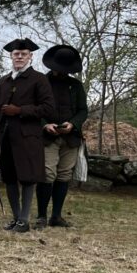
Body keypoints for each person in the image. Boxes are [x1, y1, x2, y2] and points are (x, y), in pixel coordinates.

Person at [0, 38, 56, 232]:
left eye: (23, 54)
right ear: (11, 56)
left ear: (30, 56)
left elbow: (48, 108)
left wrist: (20, 110)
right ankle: (15, 217)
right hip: (6, 137)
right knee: (10, 178)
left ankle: (24, 219)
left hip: (28, 137)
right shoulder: (4, 81)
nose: (19, 57)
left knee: (28, 177)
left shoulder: (38, 79)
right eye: (16, 54)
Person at [37, 44, 88, 228]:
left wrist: (73, 124)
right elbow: (36, 109)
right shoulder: (41, 82)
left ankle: (56, 216)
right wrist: (45, 125)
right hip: (48, 136)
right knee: (47, 174)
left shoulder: (76, 86)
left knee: (64, 175)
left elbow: (83, 111)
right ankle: (41, 216)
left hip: (70, 137)